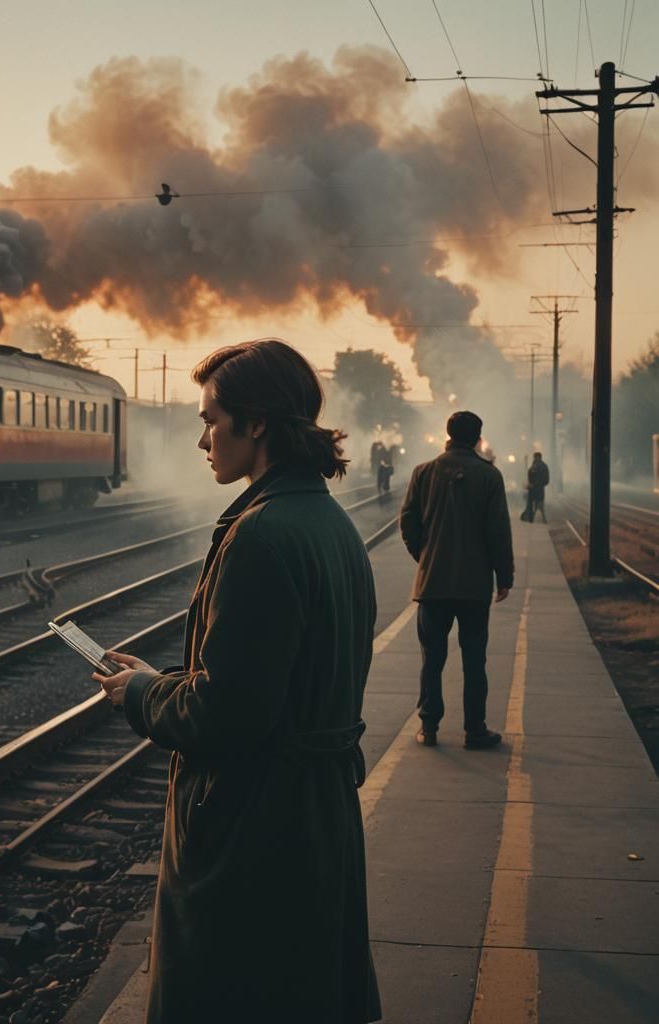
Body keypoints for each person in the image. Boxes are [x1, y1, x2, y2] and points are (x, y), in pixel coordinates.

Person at [93, 338, 382, 1023]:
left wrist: (142, 694)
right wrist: (168, 680)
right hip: (314, 819)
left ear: (256, 424)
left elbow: (227, 715)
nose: (203, 440)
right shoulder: (329, 524)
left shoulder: (261, 534)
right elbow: (273, 680)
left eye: (211, 421)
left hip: (252, 829)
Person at [399, 410, 514, 750]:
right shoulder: (489, 476)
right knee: (474, 660)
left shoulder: (423, 472)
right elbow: (498, 531)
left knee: (432, 659)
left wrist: (424, 556)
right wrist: (503, 576)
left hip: (432, 584)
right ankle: (474, 730)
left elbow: (408, 521)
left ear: (448, 435)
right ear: (478, 438)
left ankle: (429, 727)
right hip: (474, 587)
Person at [525, 451, 550, 523]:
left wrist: (531, 484)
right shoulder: (544, 466)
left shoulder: (534, 466)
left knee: (532, 504)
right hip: (540, 488)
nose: (534, 458)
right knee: (540, 503)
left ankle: (531, 518)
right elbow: (547, 479)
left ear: (537, 457)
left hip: (533, 488)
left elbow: (530, 475)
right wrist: (542, 484)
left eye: (535, 457)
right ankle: (542, 519)